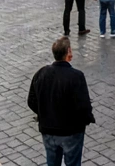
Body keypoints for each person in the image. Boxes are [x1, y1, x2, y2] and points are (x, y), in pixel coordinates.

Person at [26, 37, 95, 166]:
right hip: (71, 131)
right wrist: (86, 120)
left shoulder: (41, 73)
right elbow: (83, 106)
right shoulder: (76, 76)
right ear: (68, 51)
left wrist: (44, 113)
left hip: (48, 129)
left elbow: (32, 101)